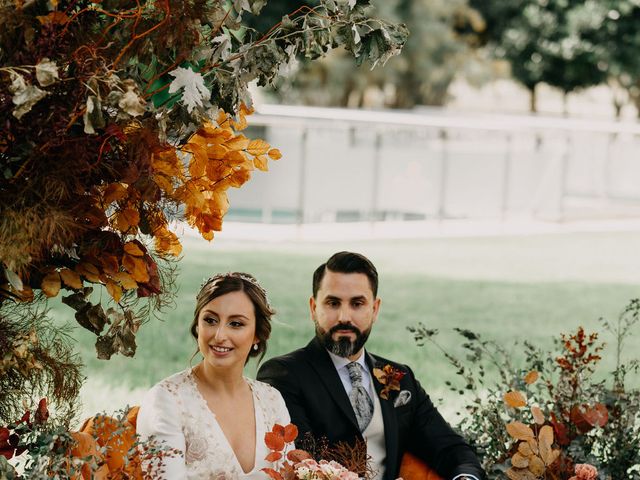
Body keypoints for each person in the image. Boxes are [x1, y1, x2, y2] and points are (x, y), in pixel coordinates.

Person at [257, 252, 486, 480]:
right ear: (313, 308)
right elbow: (302, 466)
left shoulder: (401, 378)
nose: (344, 316)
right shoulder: (283, 376)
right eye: (333, 303)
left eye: (357, 303)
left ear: (374, 309)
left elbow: (451, 450)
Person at [137, 272, 290, 479]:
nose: (219, 335)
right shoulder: (166, 400)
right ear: (197, 326)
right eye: (210, 320)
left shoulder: (272, 400)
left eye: (236, 324)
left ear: (257, 334)